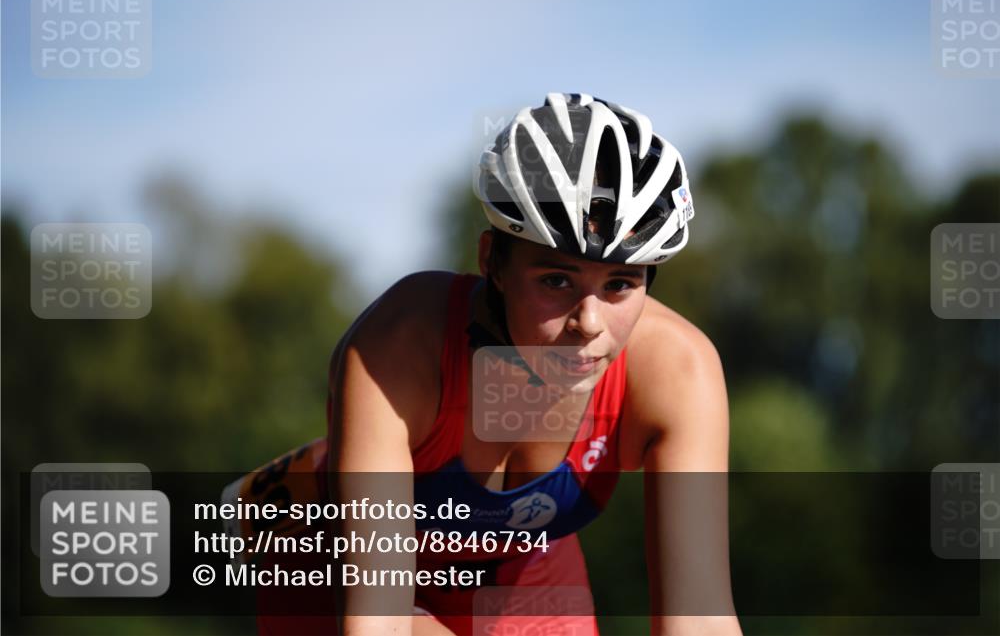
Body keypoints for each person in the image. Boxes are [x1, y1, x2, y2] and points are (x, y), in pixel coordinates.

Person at [254, 93, 742, 635]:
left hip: (518, 565)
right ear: (493, 262)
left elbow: (701, 620)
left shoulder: (679, 369)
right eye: (556, 281)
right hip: (323, 556)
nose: (589, 322)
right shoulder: (400, 344)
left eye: (620, 285)